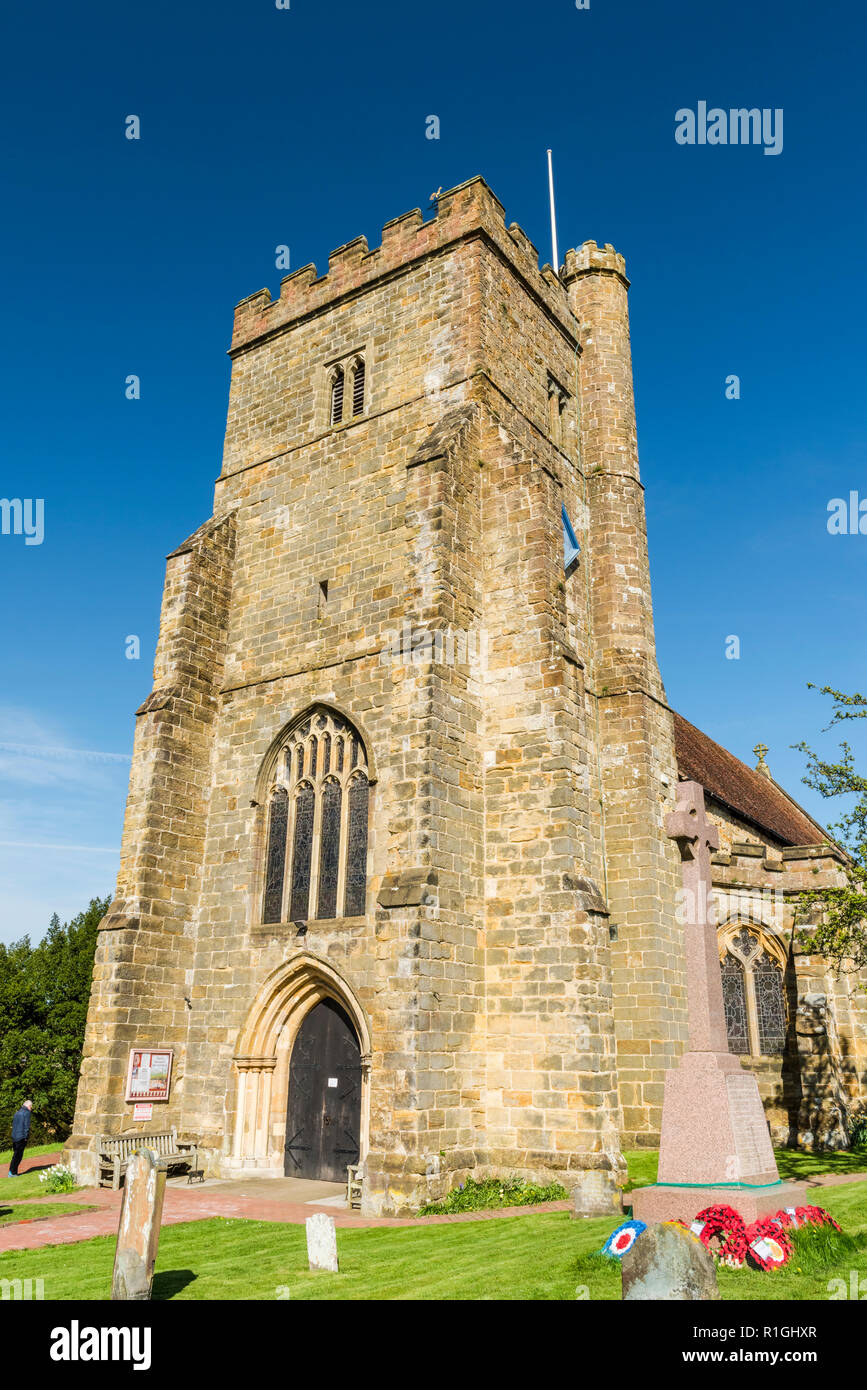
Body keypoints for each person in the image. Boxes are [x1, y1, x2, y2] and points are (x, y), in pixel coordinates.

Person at [9, 1100, 33, 1176]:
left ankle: (13, 1172)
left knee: (16, 1154)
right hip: (21, 1137)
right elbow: (26, 1126)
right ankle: (12, 1172)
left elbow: (14, 1125)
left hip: (14, 1136)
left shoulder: (17, 1112)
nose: (31, 1108)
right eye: (31, 1107)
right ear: (29, 1106)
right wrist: (26, 1137)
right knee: (18, 1155)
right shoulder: (27, 1113)